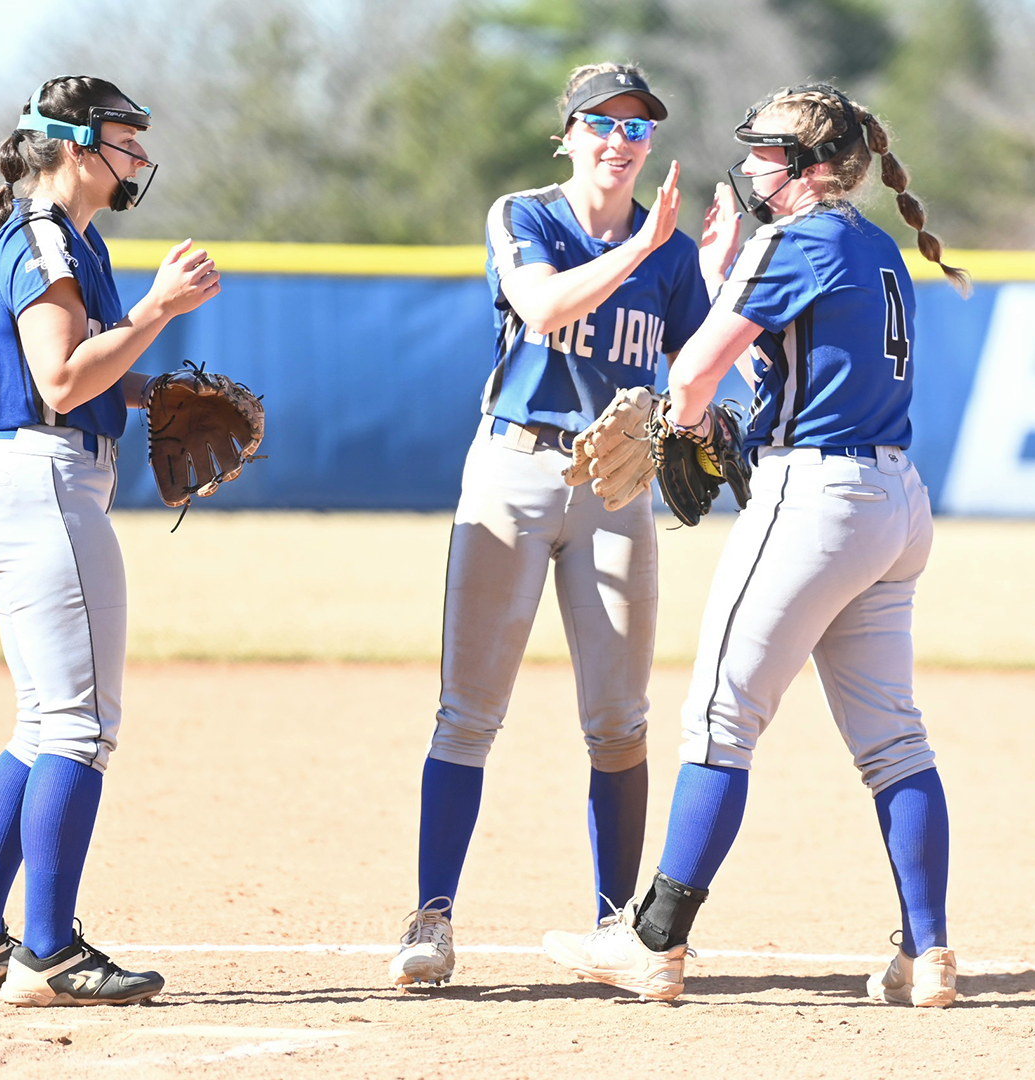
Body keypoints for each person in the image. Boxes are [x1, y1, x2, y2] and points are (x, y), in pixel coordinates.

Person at [540, 82, 970, 1008]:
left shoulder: (795, 236)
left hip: (816, 495)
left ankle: (654, 942)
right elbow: (796, 356)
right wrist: (732, 273)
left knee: (718, 719)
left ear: (811, 169)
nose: (752, 165)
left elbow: (693, 375)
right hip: (895, 499)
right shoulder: (875, 243)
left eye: (769, 152)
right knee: (894, 739)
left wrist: (677, 427)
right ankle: (927, 954)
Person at [388, 63, 709, 987]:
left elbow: (695, 369)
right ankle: (432, 916)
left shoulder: (674, 254)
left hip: (616, 490)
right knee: (469, 710)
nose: (619, 141)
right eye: (600, 124)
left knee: (619, 719)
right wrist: (642, 249)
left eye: (638, 128)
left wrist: (689, 401)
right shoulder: (524, 215)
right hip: (515, 470)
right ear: (566, 136)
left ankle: (619, 926)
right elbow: (540, 306)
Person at [0, 75, 220, 1006]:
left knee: (43, 726)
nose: (138, 159)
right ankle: (47, 955)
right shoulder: (48, 235)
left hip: (27, 479)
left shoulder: (68, 236)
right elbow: (57, 378)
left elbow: (86, 374)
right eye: (126, 141)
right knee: (83, 729)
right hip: (41, 483)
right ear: (76, 144)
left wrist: (151, 392)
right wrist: (161, 307)